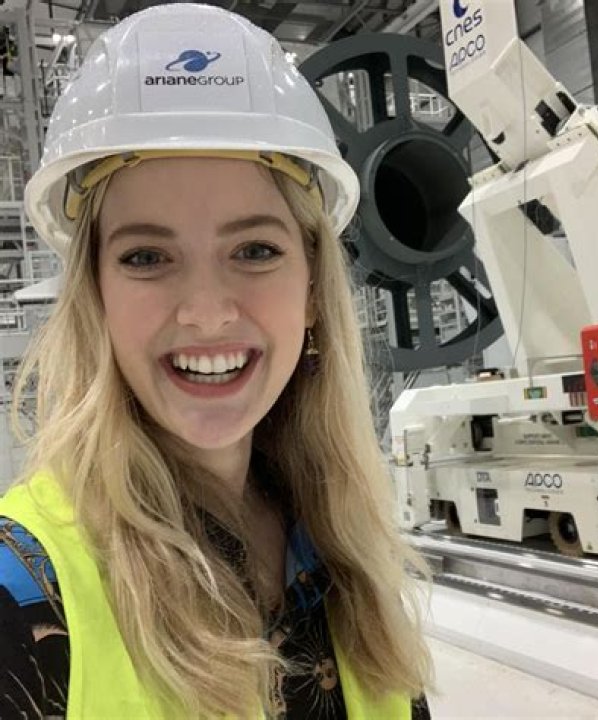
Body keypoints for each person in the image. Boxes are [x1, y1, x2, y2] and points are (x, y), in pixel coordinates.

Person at [0, 4, 432, 718]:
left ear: (313, 290)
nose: (206, 312)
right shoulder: (21, 593)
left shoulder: (347, 555)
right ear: (96, 296)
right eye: (146, 257)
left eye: (255, 250)